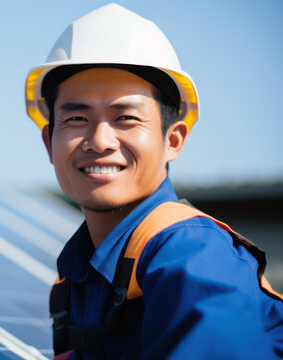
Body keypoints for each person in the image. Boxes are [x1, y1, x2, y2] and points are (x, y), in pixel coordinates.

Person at [24, 3, 283, 359]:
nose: (100, 140)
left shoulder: (193, 254)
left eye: (126, 118)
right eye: (77, 118)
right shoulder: (75, 276)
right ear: (48, 142)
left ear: (173, 140)